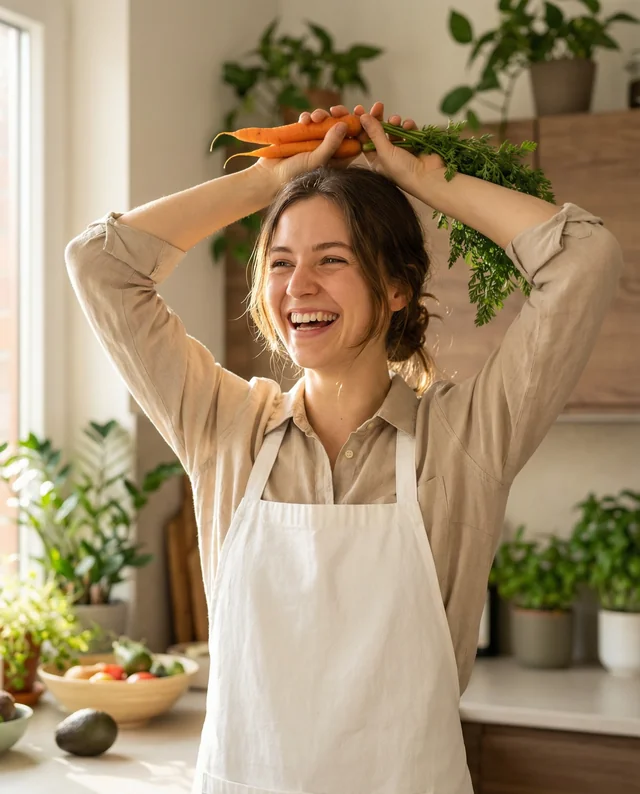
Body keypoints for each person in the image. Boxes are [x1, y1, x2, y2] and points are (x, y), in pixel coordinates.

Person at [65, 101, 623, 794]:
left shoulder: (465, 441)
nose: (299, 286)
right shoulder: (224, 429)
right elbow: (99, 264)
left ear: (395, 288)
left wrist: (425, 178)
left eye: (332, 260)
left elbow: (584, 255)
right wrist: (270, 181)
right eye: (280, 262)